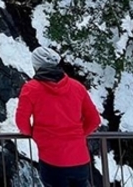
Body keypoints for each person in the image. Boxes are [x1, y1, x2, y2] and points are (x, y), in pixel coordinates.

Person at [15, 46, 102, 187]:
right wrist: (78, 135)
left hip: (52, 159)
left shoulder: (31, 88)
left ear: (36, 66)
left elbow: (21, 122)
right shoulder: (77, 87)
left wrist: (36, 135)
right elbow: (94, 120)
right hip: (80, 159)